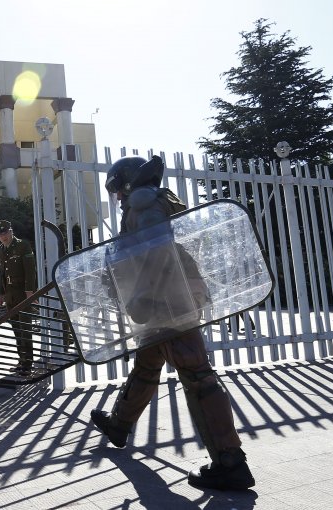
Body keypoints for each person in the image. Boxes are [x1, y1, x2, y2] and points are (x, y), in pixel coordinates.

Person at [89, 155, 255, 491]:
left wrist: (144, 296)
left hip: (164, 300)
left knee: (196, 374)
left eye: (119, 189)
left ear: (128, 182)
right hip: (171, 295)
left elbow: (158, 248)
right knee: (148, 363)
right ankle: (119, 424)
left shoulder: (143, 201)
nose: (119, 197)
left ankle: (229, 460)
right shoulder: (158, 198)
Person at [0, 219, 38, 375]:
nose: (3, 236)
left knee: (25, 328)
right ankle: (21, 360)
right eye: (0, 234)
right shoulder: (0, 250)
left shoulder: (22, 246)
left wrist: (29, 292)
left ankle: (28, 363)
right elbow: (2, 272)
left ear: (11, 231)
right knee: (16, 329)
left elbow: (30, 270)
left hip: (22, 292)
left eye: (5, 232)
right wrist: (0, 293)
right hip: (10, 293)